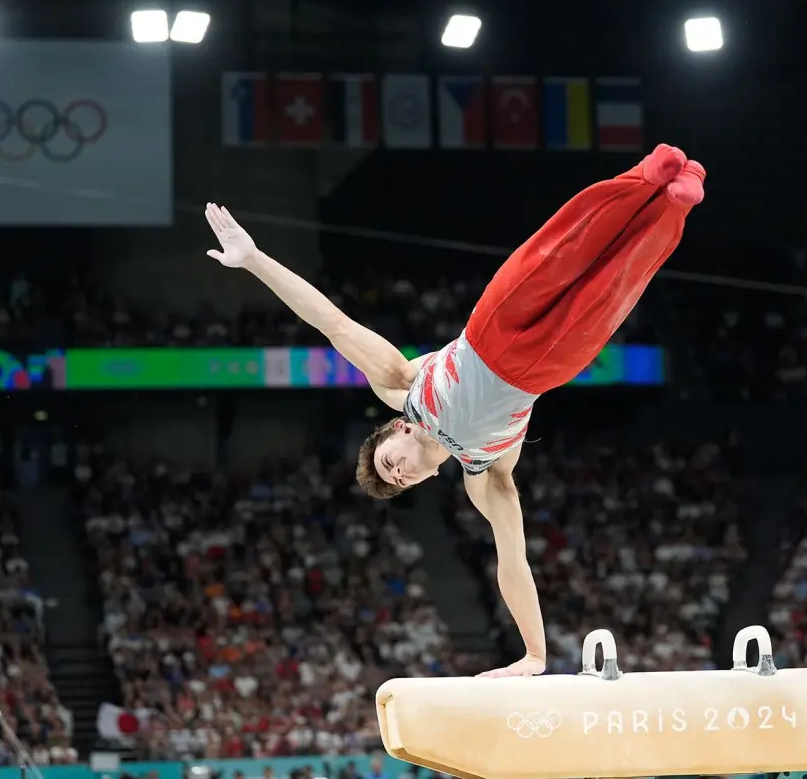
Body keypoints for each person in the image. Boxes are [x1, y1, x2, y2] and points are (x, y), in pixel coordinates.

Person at [203, 143, 706, 676]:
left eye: (386, 462)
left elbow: (333, 323)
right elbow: (513, 563)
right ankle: (676, 202)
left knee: (562, 250)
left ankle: (646, 175)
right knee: (615, 284)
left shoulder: (403, 389)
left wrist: (254, 260)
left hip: (492, 329)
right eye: (397, 482)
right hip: (546, 369)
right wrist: (534, 655)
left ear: (395, 429)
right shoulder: (484, 473)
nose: (396, 472)